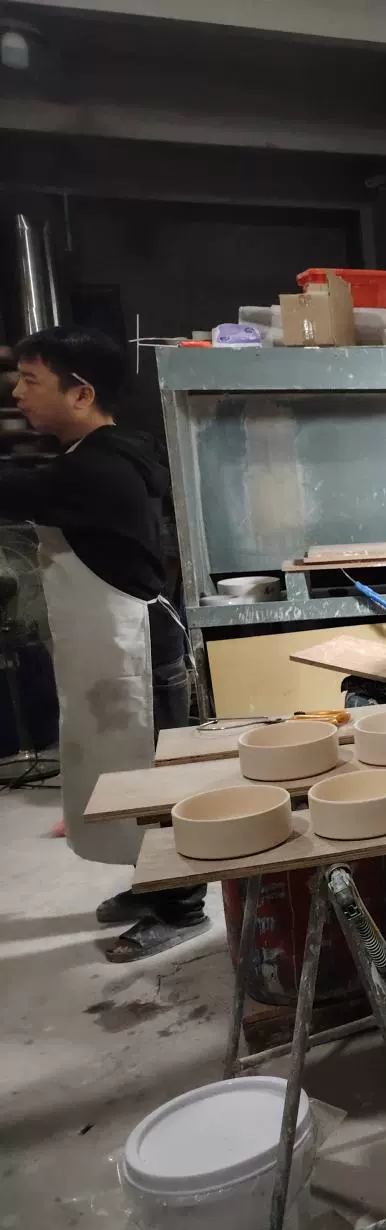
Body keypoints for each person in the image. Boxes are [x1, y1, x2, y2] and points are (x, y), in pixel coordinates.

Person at [0, 326, 204, 962]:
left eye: (31, 380)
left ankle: (184, 907)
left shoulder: (97, 468)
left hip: (139, 650)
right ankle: (155, 885)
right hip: (122, 646)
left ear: (81, 393)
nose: (17, 393)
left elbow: (14, 488)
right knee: (126, 775)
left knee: (157, 784)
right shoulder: (101, 452)